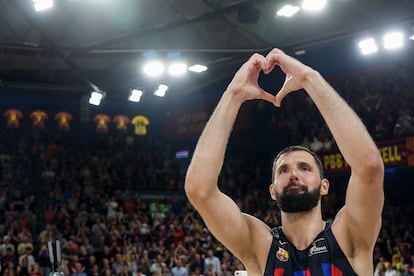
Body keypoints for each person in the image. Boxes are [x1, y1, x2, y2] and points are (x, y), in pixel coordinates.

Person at [184, 48, 384, 275]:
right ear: (272, 190)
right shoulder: (259, 246)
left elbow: (369, 167)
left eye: (305, 168)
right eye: (283, 170)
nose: (293, 174)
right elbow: (198, 189)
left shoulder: (349, 236)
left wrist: (310, 79)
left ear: (324, 186)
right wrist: (233, 94)